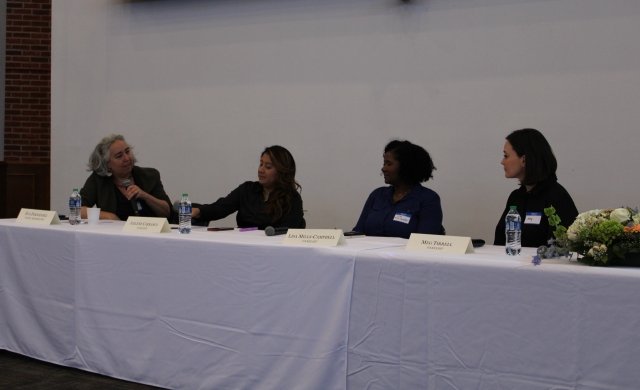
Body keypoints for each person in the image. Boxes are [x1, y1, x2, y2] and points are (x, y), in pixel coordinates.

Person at [494, 128, 578, 247]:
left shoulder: (556, 196)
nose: (502, 162)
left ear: (524, 160)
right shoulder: (516, 197)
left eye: (506, 156)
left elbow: (563, 247)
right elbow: (500, 242)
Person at [192, 145, 305, 229]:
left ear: (281, 172)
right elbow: (221, 207)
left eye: (268, 166)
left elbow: (287, 232)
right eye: (261, 164)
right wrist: (197, 211)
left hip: (274, 251)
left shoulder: (292, 198)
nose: (261, 170)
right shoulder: (247, 189)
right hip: (244, 246)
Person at [353, 140, 444, 238]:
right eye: (384, 164)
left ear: (406, 167)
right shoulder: (377, 195)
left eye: (389, 164)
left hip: (406, 253)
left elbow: (424, 242)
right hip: (368, 253)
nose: (383, 169)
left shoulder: (428, 199)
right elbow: (358, 232)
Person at [80, 134, 174, 221]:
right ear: (107, 164)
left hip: (152, 234)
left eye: (127, 152)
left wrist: (145, 196)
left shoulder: (150, 176)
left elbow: (167, 212)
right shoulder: (98, 180)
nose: (127, 158)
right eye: (119, 156)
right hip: (116, 236)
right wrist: (109, 216)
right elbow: (78, 210)